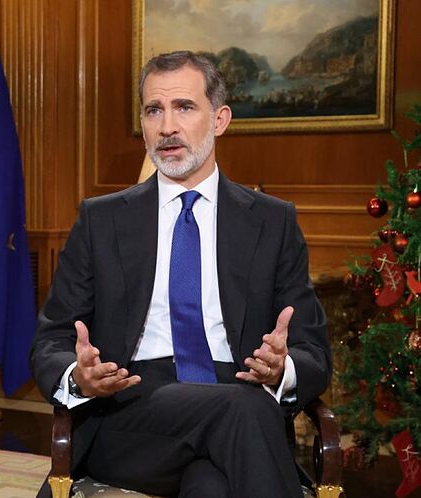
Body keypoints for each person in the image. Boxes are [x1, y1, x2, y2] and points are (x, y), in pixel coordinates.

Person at [30, 51, 330, 498]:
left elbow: (312, 351)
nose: (167, 126)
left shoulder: (272, 221)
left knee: (211, 485)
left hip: (238, 400)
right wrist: (78, 376)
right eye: (154, 110)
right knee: (244, 412)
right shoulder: (102, 220)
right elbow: (50, 340)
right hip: (132, 414)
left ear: (220, 119)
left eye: (184, 107)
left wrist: (281, 368)